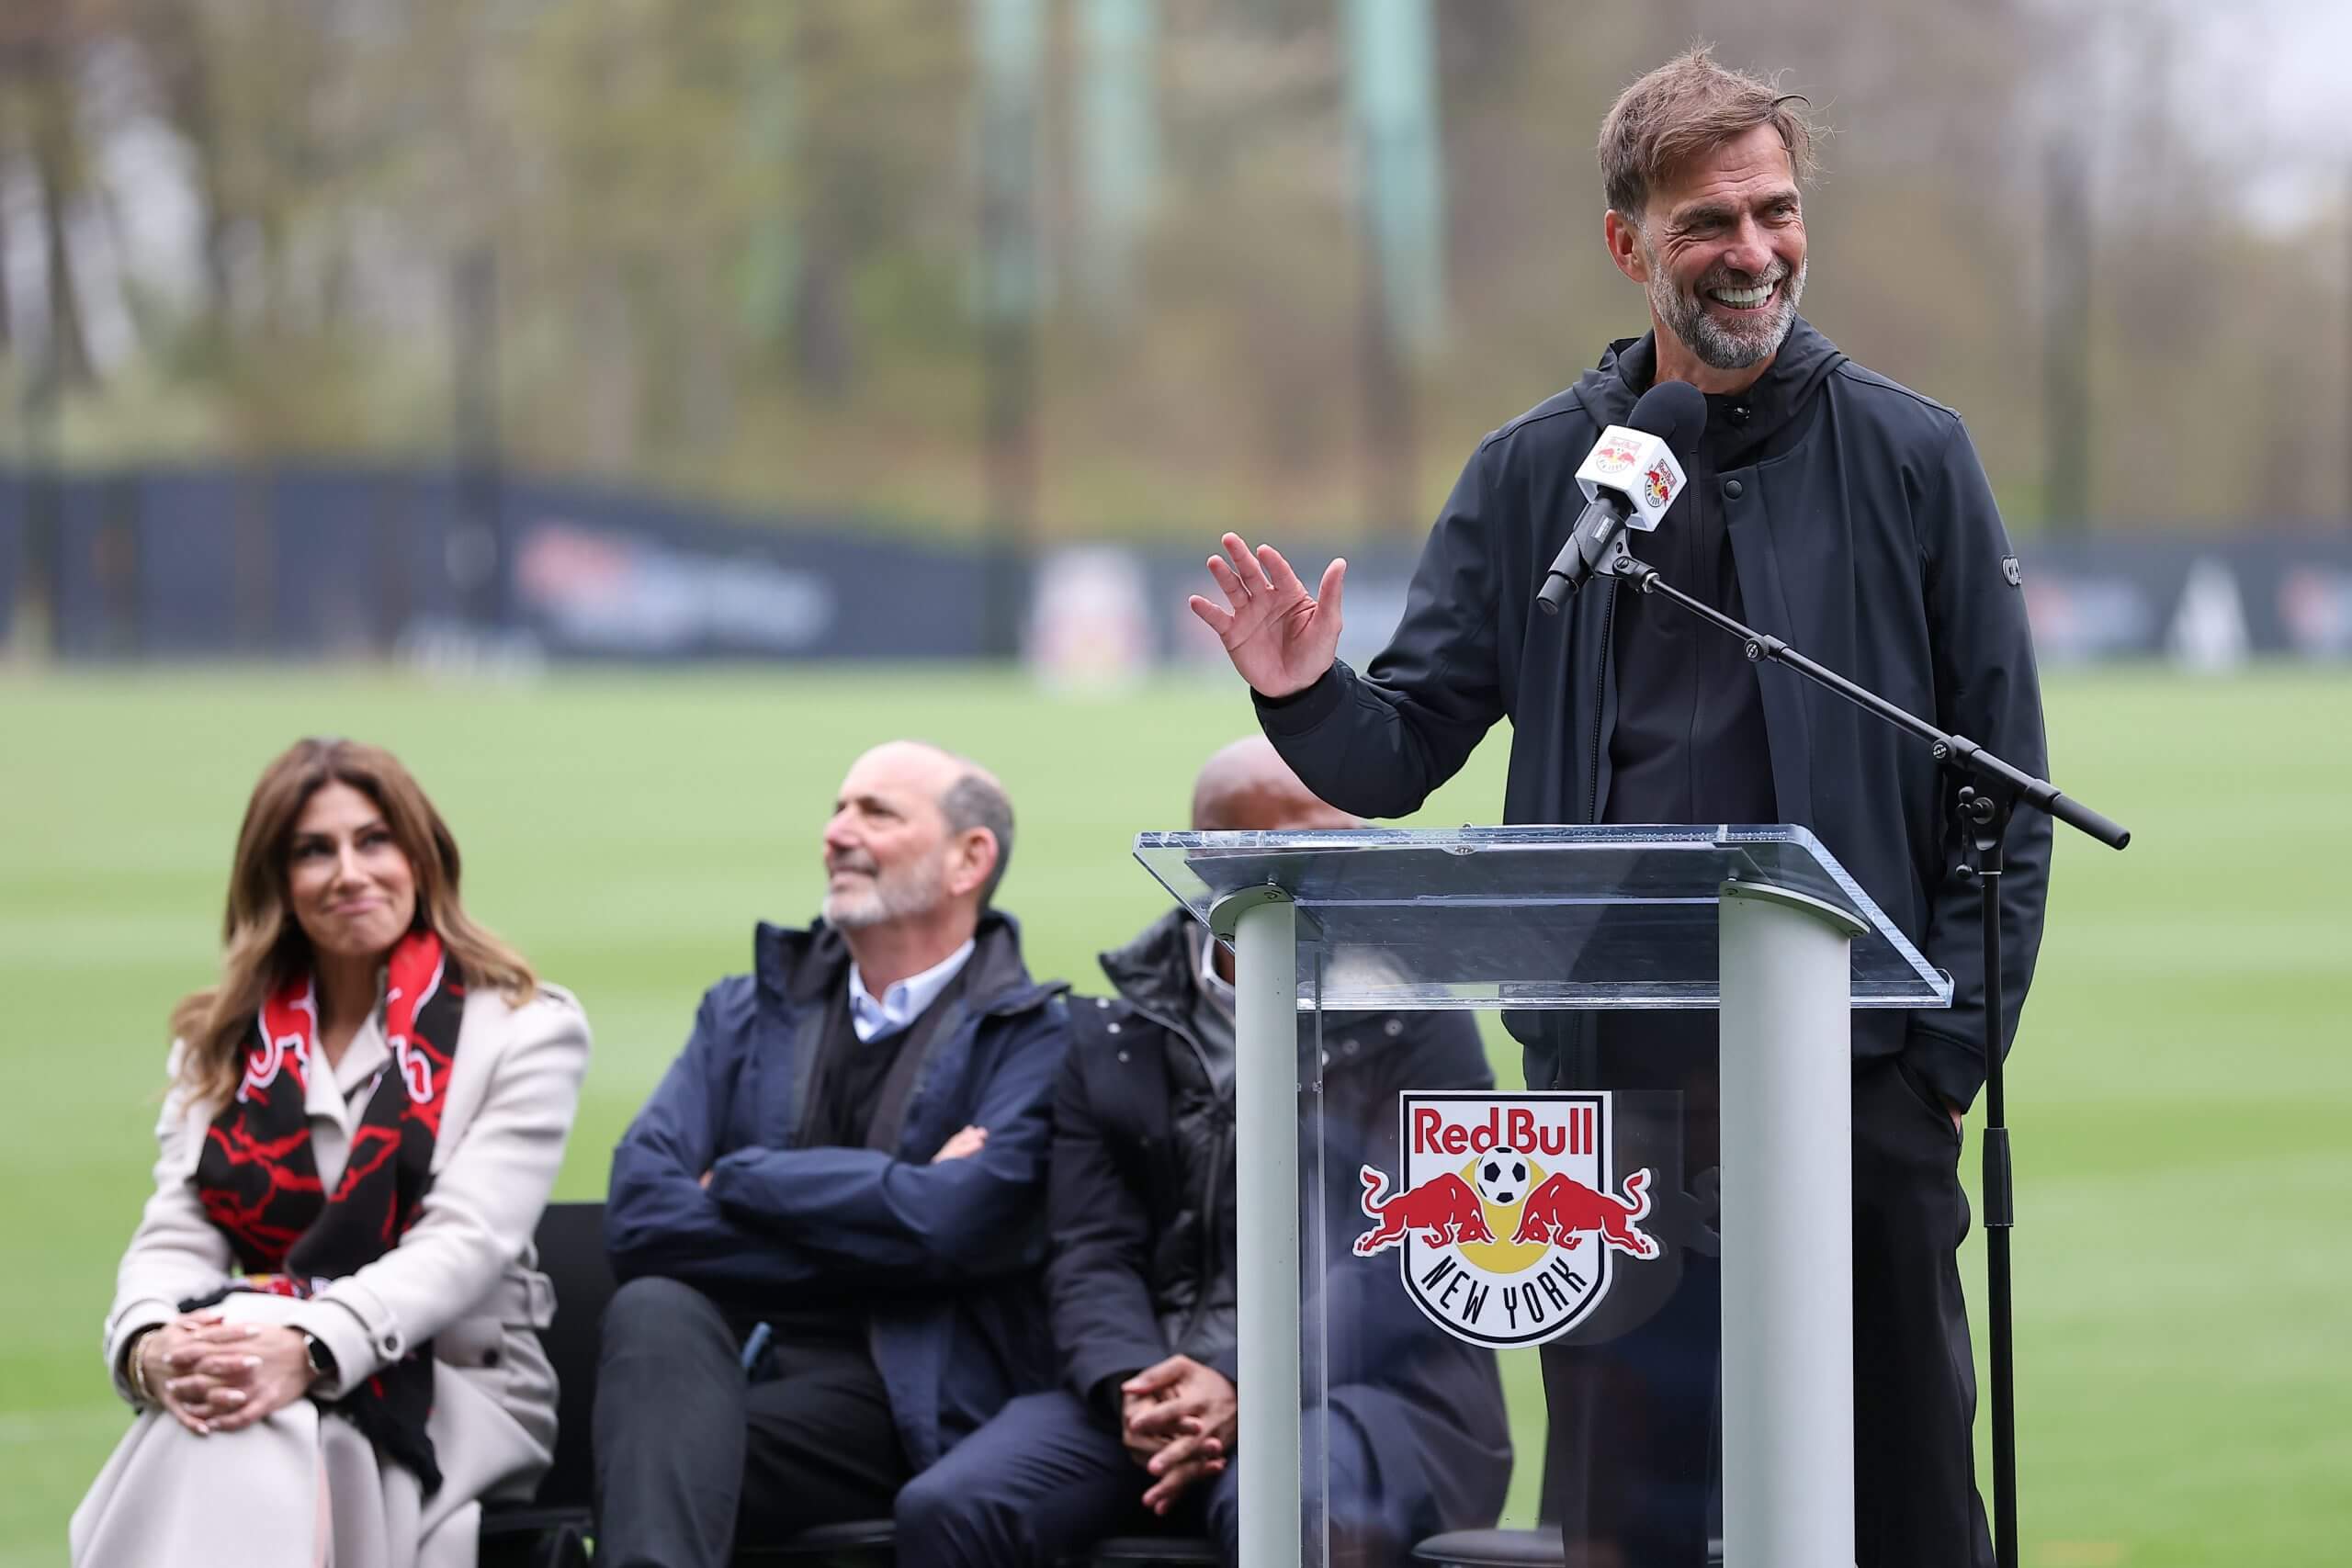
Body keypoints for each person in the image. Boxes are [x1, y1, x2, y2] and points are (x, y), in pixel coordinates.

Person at [1185, 47, 2051, 1568]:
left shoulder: (1914, 455)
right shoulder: (1537, 475)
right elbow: (1401, 753)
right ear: (1627, 242)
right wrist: (1302, 692)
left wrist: (1938, 1072)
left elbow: (2002, 795)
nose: (1752, 251)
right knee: (1627, 1529)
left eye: (1775, 212)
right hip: (1614, 1101)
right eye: (1708, 220)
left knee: (1904, 1510)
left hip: (1855, 1087)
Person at [898, 738, 1511, 1567]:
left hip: (1372, 1393)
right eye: (1316, 842)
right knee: (950, 1507)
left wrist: (1241, 1377)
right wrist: (1134, 1386)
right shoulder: (1117, 1029)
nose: (1354, 865)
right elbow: (1091, 1251)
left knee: (1285, 1507)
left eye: (1352, 835)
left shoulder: (1419, 1018)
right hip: (1156, 1382)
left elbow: (1416, 1250)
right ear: (1218, 867)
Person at [72, 738, 593, 1568]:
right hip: (256, 1362)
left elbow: (466, 1241)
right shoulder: (224, 1041)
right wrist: (150, 1348)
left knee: (249, 1410)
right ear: (276, 881)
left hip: (456, 1385)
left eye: (373, 840)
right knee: (236, 1408)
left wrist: (306, 1347)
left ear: (420, 857)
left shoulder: (527, 1029)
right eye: (314, 850)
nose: (350, 872)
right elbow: (177, 1233)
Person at [594, 740, 1071, 1568]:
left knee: (656, 1460)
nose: (837, 832)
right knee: (654, 1312)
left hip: (911, 1402)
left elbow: (953, 1224)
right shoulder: (739, 1011)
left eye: (876, 812)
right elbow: (638, 1213)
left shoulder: (1036, 1038)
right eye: (838, 807)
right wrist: (890, 1217)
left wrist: (738, 1178)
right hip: (736, 1374)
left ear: (970, 858)